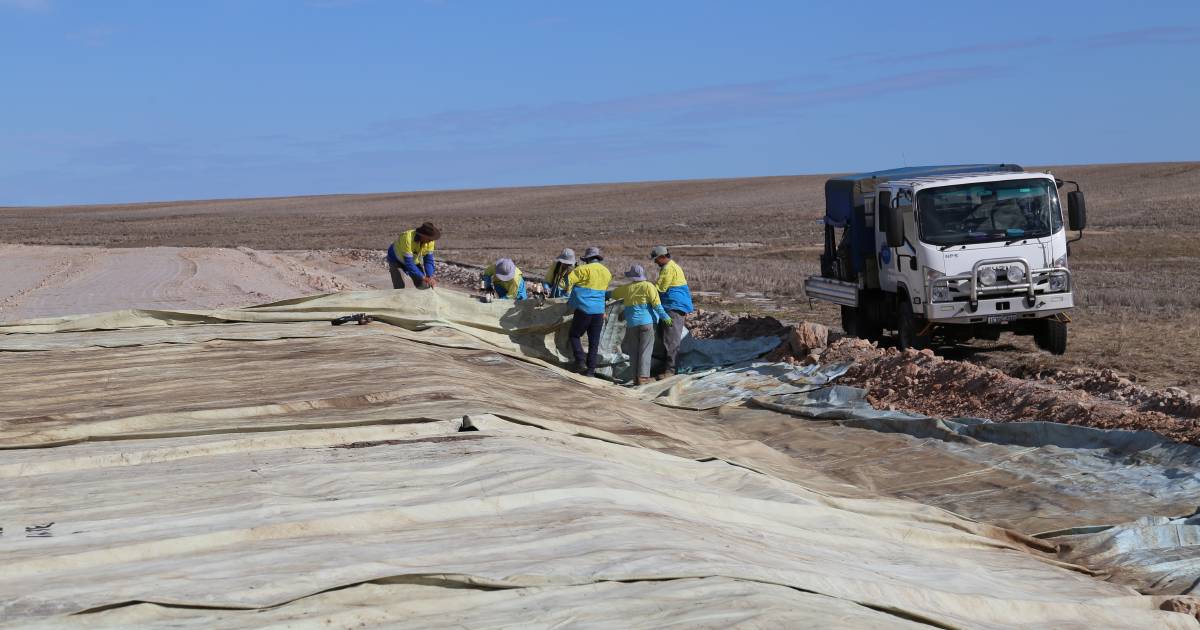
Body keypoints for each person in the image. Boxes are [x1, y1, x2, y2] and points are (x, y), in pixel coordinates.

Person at [609, 264, 672, 386]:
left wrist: (602, 295)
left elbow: (613, 294)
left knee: (634, 351)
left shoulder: (626, 288)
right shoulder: (649, 286)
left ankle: (635, 378)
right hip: (647, 323)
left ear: (632, 277)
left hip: (632, 324)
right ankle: (643, 378)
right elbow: (657, 305)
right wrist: (666, 318)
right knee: (645, 351)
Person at [566, 246, 612, 377]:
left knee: (574, 335)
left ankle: (580, 361)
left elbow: (565, 283)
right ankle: (590, 371)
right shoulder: (607, 272)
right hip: (599, 311)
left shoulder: (581, 269)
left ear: (587, 259)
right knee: (594, 342)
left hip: (584, 309)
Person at [650, 245, 694, 378]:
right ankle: (665, 368)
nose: (655, 262)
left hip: (674, 306)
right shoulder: (669, 267)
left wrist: (645, 289)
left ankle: (670, 370)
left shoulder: (668, 269)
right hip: (670, 305)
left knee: (671, 339)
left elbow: (660, 288)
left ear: (663, 257)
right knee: (667, 338)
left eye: (656, 259)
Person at [387, 222, 440, 289]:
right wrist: (423, 277)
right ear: (423, 236)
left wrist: (429, 276)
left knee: (424, 285)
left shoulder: (430, 242)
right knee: (399, 287)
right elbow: (409, 263)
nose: (431, 241)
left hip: (413, 261)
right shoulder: (407, 238)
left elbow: (428, 260)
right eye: (429, 238)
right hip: (396, 260)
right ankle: (398, 299)